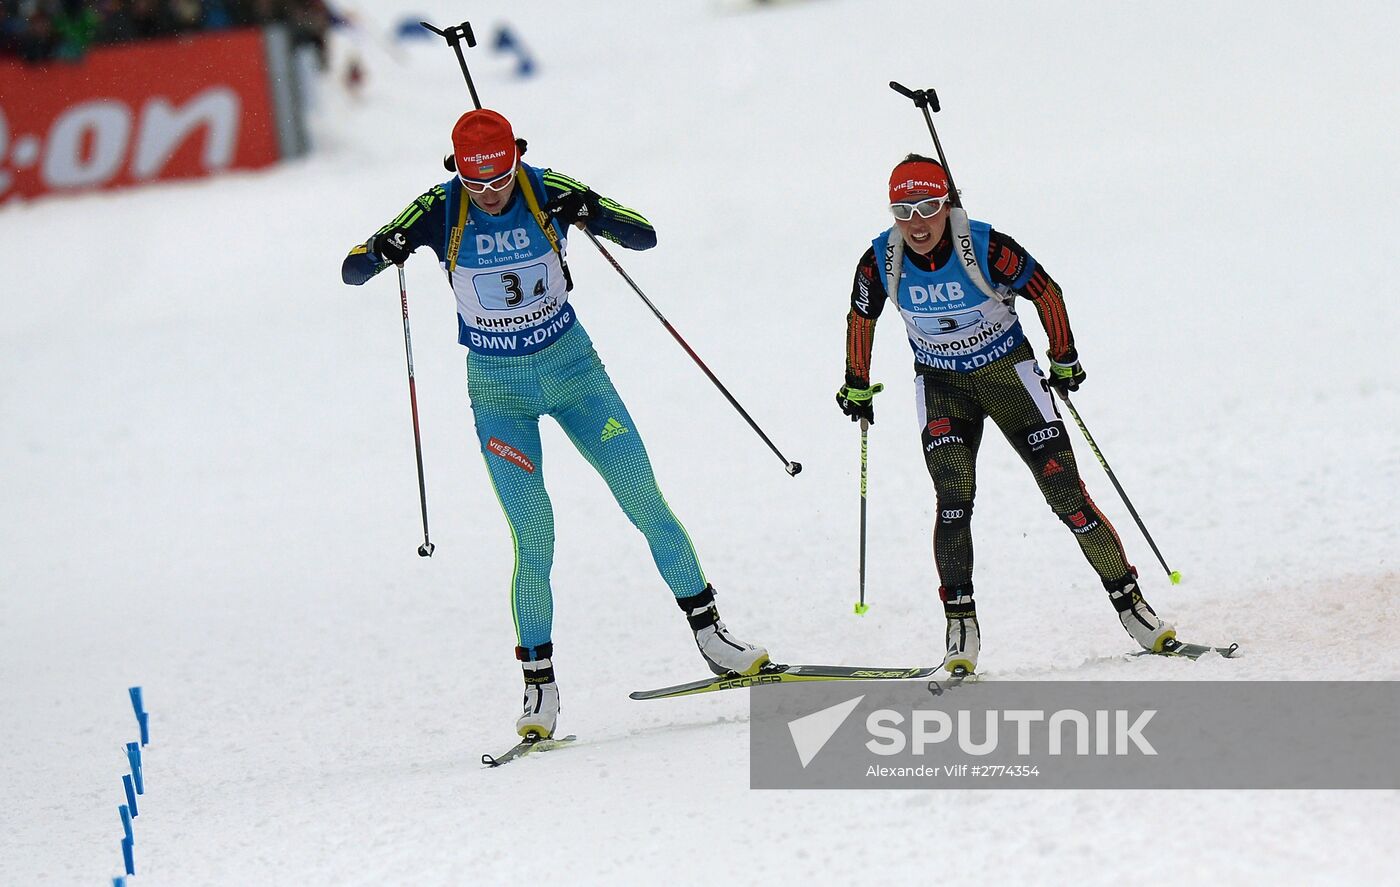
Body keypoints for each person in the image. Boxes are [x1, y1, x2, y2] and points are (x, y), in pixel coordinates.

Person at [342, 109, 768, 738]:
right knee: (533, 536)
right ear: (456, 169)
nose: (489, 195)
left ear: (517, 156)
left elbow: (643, 234)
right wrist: (385, 248)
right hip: (497, 391)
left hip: (575, 373)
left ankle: (713, 638)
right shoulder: (439, 206)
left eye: (500, 178)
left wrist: (592, 212)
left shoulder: (547, 189)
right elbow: (353, 266)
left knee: (644, 500)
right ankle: (538, 688)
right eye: (474, 182)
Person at [836, 154, 1175, 673]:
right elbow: (862, 314)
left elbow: (1046, 292)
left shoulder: (985, 245)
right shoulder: (881, 258)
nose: (917, 222)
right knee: (953, 499)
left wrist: (1064, 358)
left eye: (928, 206)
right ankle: (960, 625)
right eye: (902, 210)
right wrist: (856, 384)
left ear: (947, 203)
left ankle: (1131, 605)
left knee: (1067, 495)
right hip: (944, 386)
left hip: (1009, 378)